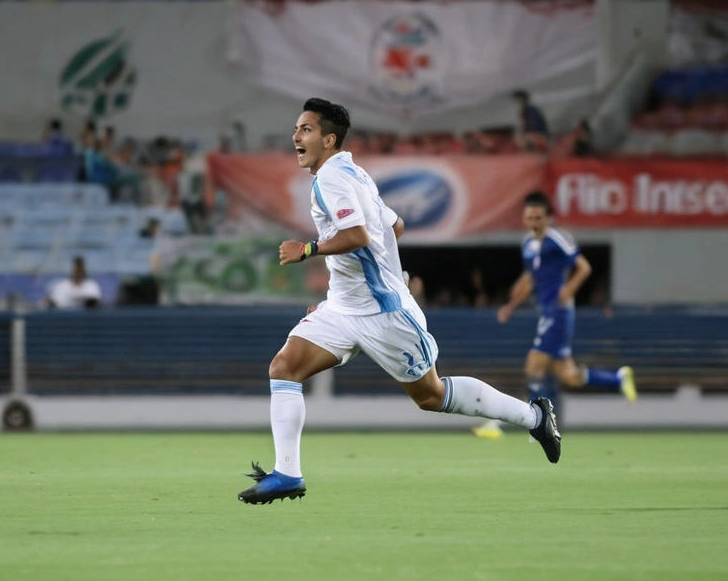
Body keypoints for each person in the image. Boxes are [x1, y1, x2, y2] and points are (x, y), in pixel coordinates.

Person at [238, 98, 561, 505]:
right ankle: (288, 473)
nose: (296, 136)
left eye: (306, 130)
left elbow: (358, 236)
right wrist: (350, 289)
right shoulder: (356, 174)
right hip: (344, 308)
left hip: (384, 314)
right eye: (297, 129)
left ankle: (535, 417)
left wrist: (307, 249)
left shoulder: (333, 180)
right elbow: (397, 226)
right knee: (284, 367)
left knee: (431, 396)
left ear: (329, 139)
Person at [473, 192, 635, 440]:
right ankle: (617, 378)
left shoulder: (556, 239)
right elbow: (530, 280)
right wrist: (512, 305)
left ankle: (535, 426)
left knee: (533, 366)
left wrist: (568, 290)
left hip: (558, 312)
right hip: (546, 312)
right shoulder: (528, 244)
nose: (533, 222)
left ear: (548, 218)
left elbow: (584, 267)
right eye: (529, 217)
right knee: (567, 375)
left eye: (538, 217)